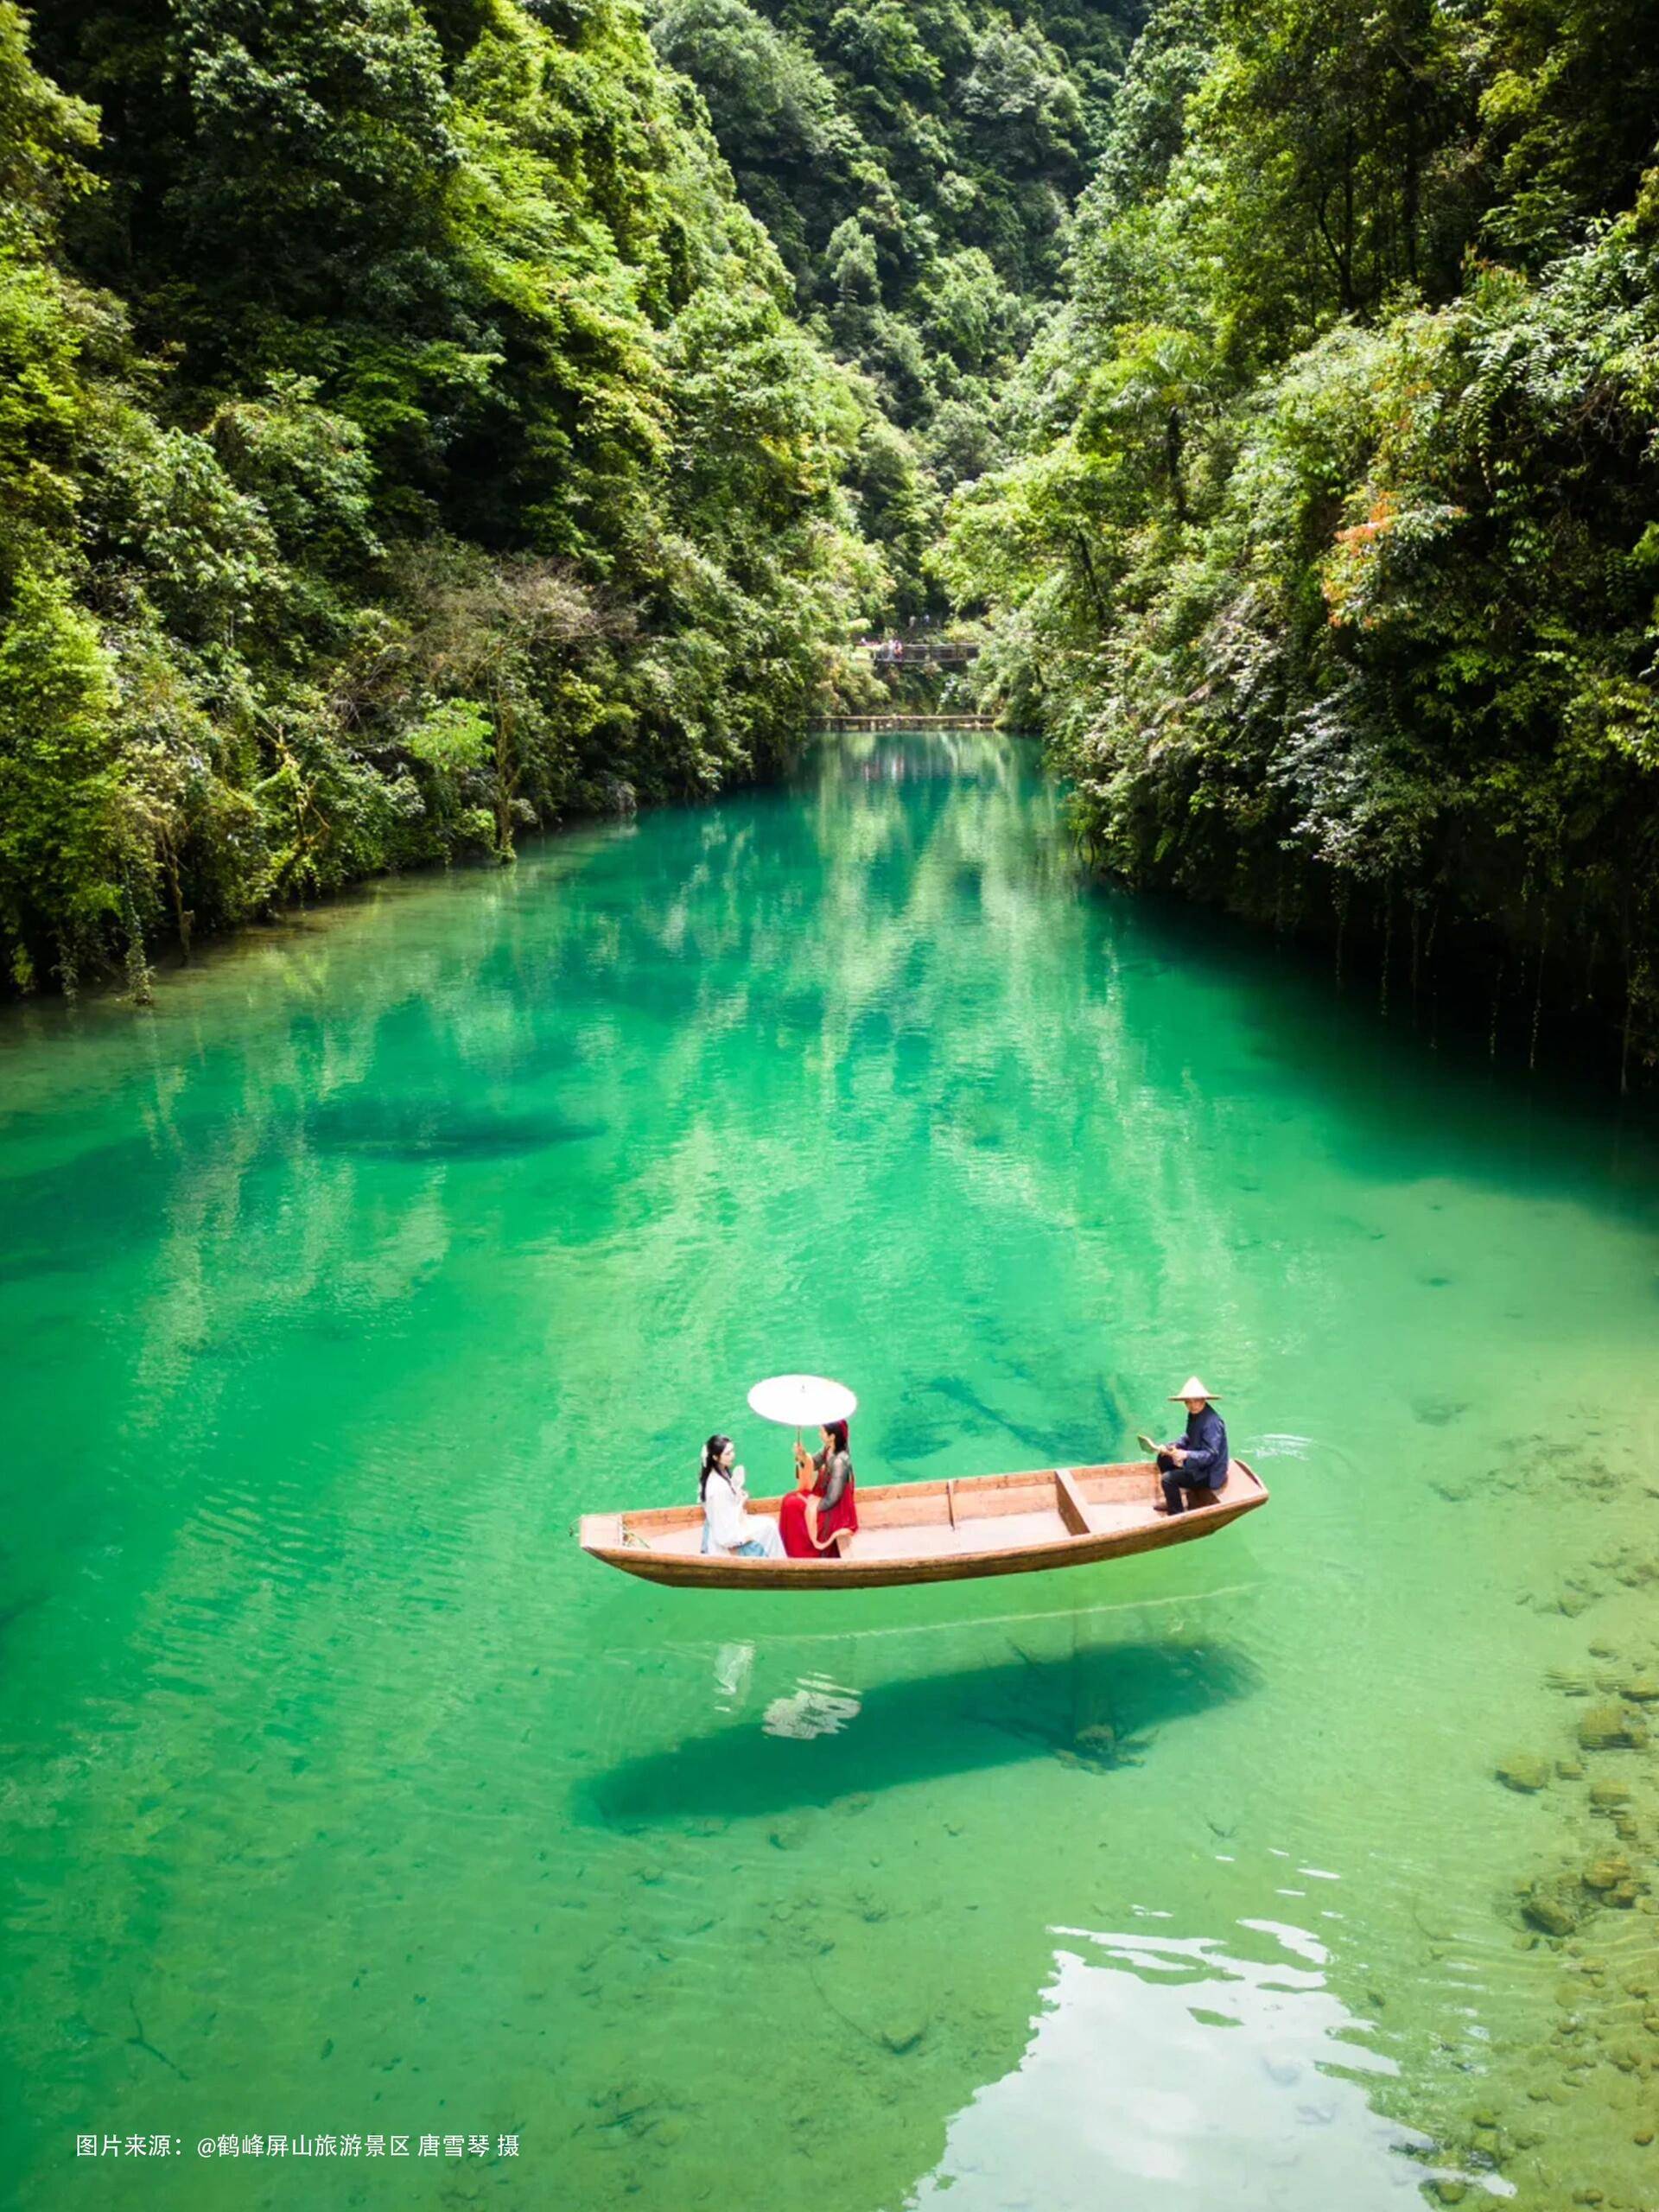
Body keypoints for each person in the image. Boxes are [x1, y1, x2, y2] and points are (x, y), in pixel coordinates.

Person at [779, 1418, 859, 1559]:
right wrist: (802, 1455)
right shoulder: (828, 1448)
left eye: (822, 1431)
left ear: (832, 1437)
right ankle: (788, 1548)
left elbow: (832, 1499)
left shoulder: (840, 1462)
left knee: (792, 1504)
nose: (819, 1434)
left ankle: (801, 1552)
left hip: (834, 1509)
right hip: (822, 1496)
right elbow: (814, 1463)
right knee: (788, 1499)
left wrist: (810, 1508)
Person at [699, 1434, 785, 1559]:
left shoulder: (720, 1471)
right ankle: (777, 1562)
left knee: (770, 1524)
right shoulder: (719, 1488)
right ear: (716, 1457)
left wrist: (738, 1496)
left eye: (732, 1451)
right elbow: (724, 1530)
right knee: (770, 1527)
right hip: (729, 1533)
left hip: (731, 1522)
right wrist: (742, 1539)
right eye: (728, 1453)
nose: (733, 1455)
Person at [1154, 1378, 1230, 1516]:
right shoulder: (1195, 1414)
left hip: (1210, 1473)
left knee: (1168, 1479)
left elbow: (1211, 1455)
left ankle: (1176, 1514)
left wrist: (1186, 1455)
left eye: (1196, 1401)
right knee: (1163, 1458)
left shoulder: (1212, 1422)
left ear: (1203, 1400)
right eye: (1188, 1402)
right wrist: (1173, 1446)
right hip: (1198, 1464)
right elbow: (1189, 1436)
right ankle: (1173, 1500)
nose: (1192, 1405)